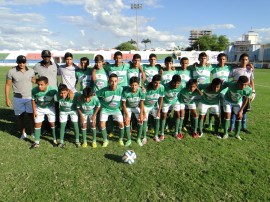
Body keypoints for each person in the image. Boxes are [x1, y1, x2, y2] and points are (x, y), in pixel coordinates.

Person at [5, 55, 35, 139]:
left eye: (23, 62)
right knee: (19, 116)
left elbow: (33, 80)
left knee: (31, 116)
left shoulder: (31, 71)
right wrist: (7, 98)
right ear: (17, 62)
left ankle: (32, 132)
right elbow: (7, 85)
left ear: (26, 62)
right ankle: (23, 133)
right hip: (18, 98)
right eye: (19, 62)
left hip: (29, 97)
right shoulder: (11, 71)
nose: (21, 64)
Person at [229, 53, 255, 134]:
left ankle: (244, 127)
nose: (244, 61)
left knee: (244, 110)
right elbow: (228, 78)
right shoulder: (235, 69)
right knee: (234, 110)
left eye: (246, 59)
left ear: (248, 61)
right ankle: (231, 127)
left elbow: (251, 81)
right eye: (243, 59)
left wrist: (253, 91)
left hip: (246, 92)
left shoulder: (249, 70)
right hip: (236, 92)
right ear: (240, 60)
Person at [96, 74, 124, 147]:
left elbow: (130, 88)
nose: (113, 83)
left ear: (118, 81)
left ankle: (120, 139)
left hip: (116, 109)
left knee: (121, 124)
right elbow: (95, 95)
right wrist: (100, 103)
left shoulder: (121, 89)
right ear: (108, 81)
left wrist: (141, 87)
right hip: (105, 109)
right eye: (111, 81)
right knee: (102, 124)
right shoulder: (103, 90)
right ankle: (105, 140)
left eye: (115, 81)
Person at [30, 76, 58, 148]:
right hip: (39, 108)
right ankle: (36, 142)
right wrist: (34, 111)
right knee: (37, 124)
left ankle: (55, 139)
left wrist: (70, 91)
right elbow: (33, 100)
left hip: (50, 108)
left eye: (41, 84)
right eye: (38, 84)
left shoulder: (53, 89)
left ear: (47, 84)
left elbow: (62, 92)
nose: (39, 86)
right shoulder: (34, 90)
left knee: (52, 123)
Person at [222, 76, 252, 140]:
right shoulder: (231, 84)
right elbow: (225, 83)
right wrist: (221, 82)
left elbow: (246, 100)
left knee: (239, 116)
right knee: (227, 115)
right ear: (238, 82)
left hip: (238, 102)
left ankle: (237, 135)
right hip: (227, 100)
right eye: (241, 84)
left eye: (245, 84)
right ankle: (225, 134)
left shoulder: (249, 89)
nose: (243, 86)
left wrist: (241, 111)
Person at [122, 77, 145, 146]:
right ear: (130, 85)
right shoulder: (126, 92)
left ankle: (138, 138)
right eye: (132, 85)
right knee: (127, 121)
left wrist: (141, 113)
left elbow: (141, 103)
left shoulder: (141, 91)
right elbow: (123, 104)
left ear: (138, 85)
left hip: (136, 107)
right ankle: (129, 140)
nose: (134, 87)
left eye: (135, 85)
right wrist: (127, 115)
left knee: (141, 120)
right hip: (128, 108)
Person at [142, 74, 164, 143]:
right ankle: (144, 137)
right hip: (145, 106)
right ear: (152, 82)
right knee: (144, 120)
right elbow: (141, 101)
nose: (157, 85)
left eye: (159, 83)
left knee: (157, 118)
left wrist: (159, 110)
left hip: (154, 105)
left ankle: (156, 136)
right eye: (155, 83)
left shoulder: (161, 87)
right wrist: (144, 112)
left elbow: (161, 99)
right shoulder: (146, 89)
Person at [160, 74, 183, 140]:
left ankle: (176, 133)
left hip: (175, 101)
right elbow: (160, 95)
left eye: (178, 83)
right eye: (174, 83)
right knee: (164, 115)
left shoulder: (181, 86)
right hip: (166, 102)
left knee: (178, 114)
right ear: (171, 81)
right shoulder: (165, 86)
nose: (176, 85)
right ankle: (162, 133)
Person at [57, 84, 80, 148]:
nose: (63, 95)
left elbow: (82, 94)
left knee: (75, 125)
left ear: (67, 91)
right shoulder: (57, 95)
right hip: (63, 111)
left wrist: (71, 91)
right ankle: (61, 141)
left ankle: (77, 141)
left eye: (64, 93)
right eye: (61, 93)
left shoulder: (74, 95)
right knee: (62, 126)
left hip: (73, 111)